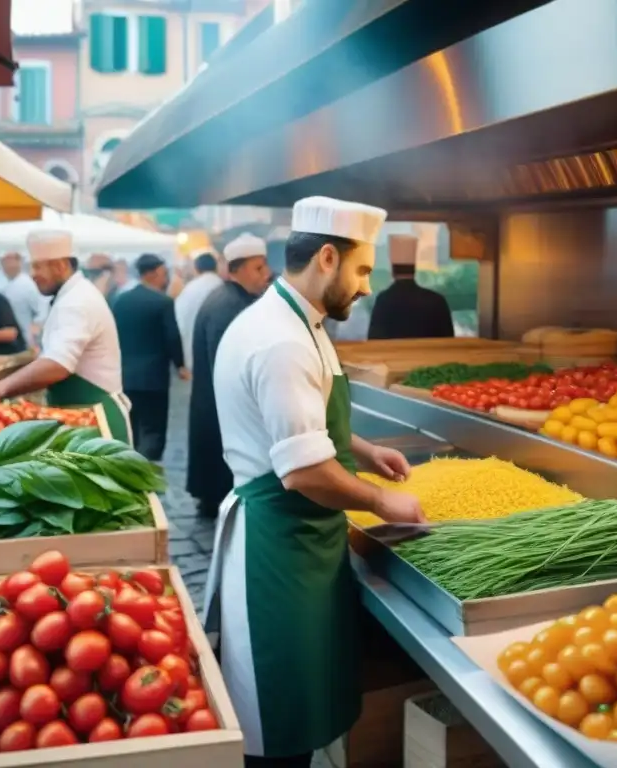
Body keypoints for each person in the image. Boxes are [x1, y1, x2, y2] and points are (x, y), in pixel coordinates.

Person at [203, 197, 426, 767]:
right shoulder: (282, 341)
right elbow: (303, 470)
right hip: (278, 550)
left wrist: (364, 448)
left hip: (304, 542)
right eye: (361, 271)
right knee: (279, 721)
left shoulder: (298, 320)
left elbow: (303, 418)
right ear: (327, 257)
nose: (367, 287)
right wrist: (381, 501)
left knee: (298, 710)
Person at [0, 230, 131, 443]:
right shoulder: (71, 295)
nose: (32, 274)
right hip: (81, 419)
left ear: (61, 266)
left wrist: (0, 388)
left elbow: (57, 364)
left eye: (38, 266)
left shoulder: (77, 301)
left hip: (95, 423)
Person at [185, 234, 271, 517]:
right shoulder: (229, 305)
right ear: (236, 270)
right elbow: (230, 368)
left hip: (212, 405)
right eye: (258, 268)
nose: (266, 274)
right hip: (219, 407)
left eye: (265, 266)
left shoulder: (229, 297)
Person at [112, 254, 188, 461]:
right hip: (154, 379)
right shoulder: (163, 303)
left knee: (131, 428)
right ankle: (147, 470)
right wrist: (180, 365)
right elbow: (172, 337)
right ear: (153, 274)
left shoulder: (121, 300)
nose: (166, 279)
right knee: (153, 429)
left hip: (124, 376)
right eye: (164, 274)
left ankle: (130, 465)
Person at [367, 234, 454, 340]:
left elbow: (374, 342)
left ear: (393, 270)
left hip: (393, 357)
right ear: (414, 269)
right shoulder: (436, 301)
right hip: (430, 357)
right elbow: (449, 343)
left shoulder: (384, 300)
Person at [174, 251, 222, 369]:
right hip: (217, 353)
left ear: (196, 269)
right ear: (216, 266)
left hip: (191, 354)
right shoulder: (221, 286)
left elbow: (178, 321)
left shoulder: (188, 289)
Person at [0, 251, 49, 347]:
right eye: (4, 261)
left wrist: (35, 329)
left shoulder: (29, 285)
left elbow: (42, 310)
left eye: (10, 261)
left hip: (25, 337)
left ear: (19, 262)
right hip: (1, 336)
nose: (7, 264)